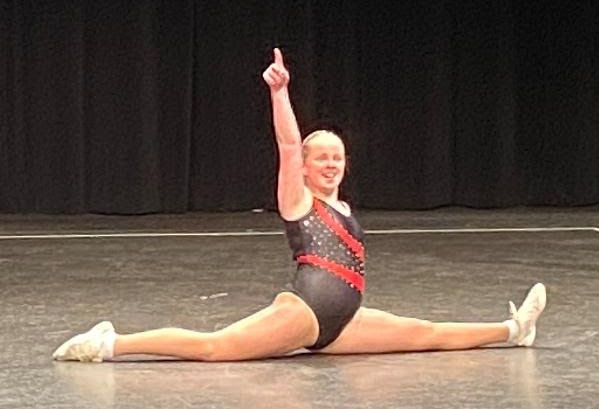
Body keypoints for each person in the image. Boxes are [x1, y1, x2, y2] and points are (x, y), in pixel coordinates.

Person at [53, 48, 546, 362]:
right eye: (321, 158)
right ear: (306, 168)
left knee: (425, 333)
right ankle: (110, 342)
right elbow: (288, 145)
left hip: (343, 322)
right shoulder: (298, 201)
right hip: (304, 311)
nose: (331, 164)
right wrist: (280, 92)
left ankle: (512, 330)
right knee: (215, 348)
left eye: (338, 157)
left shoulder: (344, 207)